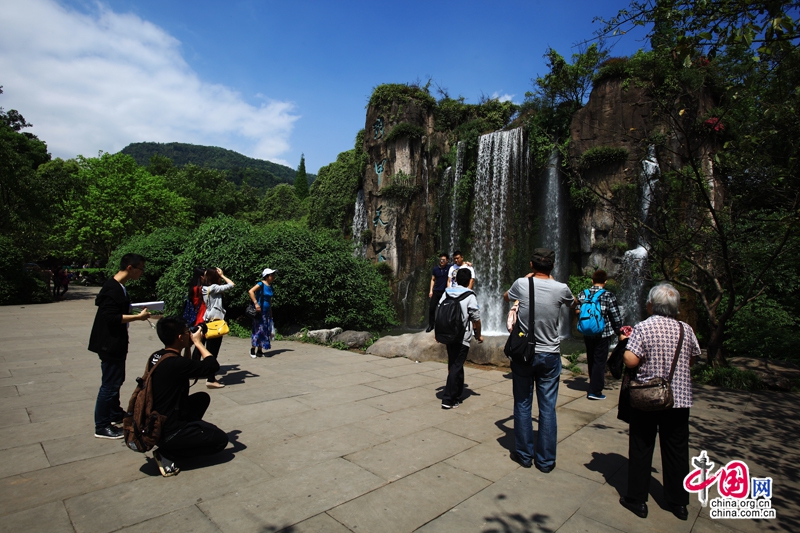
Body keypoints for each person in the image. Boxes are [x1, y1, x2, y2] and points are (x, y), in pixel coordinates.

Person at [619, 282, 700, 521]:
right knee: (676, 449)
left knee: (642, 446)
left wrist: (625, 343)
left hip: (648, 397)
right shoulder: (686, 329)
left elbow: (631, 361)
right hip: (679, 398)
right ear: (675, 308)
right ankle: (679, 503)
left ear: (651, 305)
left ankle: (637, 500)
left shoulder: (643, 328)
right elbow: (692, 360)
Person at [503, 248, 578, 472]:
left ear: (531, 265)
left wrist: (528, 278)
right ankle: (545, 461)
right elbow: (573, 303)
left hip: (524, 354)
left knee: (523, 404)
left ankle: (525, 455)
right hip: (550, 355)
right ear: (552, 266)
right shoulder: (561, 288)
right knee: (547, 408)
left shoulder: (521, 284)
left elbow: (507, 296)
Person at [148, 316, 229, 477]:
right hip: (168, 428)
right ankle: (168, 453)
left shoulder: (158, 356)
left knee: (201, 398)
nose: (190, 334)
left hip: (157, 418)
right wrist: (199, 343)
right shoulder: (176, 364)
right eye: (186, 332)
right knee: (220, 440)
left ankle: (187, 437)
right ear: (179, 337)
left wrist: (187, 347)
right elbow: (212, 366)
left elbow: (185, 370)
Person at [88, 253, 151, 439]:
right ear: (130, 268)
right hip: (109, 343)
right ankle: (102, 425)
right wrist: (138, 318)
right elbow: (111, 317)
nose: (142, 272)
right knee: (109, 384)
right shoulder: (113, 288)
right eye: (141, 268)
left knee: (116, 379)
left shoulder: (119, 287)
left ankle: (115, 413)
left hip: (116, 342)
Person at [437, 267, 482, 409]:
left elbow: (439, 311)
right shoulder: (470, 295)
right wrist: (478, 334)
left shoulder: (447, 292)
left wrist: (438, 333)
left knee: (454, 363)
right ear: (469, 281)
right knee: (456, 365)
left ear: (455, 280)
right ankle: (448, 399)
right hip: (462, 337)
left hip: (448, 334)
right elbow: (476, 317)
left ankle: (457, 394)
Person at [577, 269, 624, 400]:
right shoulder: (608, 295)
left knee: (591, 359)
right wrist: (619, 331)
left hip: (587, 333)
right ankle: (595, 391)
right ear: (605, 282)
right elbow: (615, 315)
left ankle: (593, 384)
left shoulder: (583, 294)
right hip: (603, 333)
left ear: (592, 281)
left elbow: (577, 311)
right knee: (600, 361)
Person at [200, 267, 234, 388]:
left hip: (207, 321)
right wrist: (223, 275)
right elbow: (231, 285)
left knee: (209, 351)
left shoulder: (205, 288)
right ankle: (211, 379)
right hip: (215, 323)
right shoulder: (214, 288)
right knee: (213, 352)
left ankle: (209, 375)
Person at [248, 268, 277, 358]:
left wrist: (271, 312)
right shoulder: (261, 284)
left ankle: (260, 350)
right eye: (272, 275)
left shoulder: (270, 286)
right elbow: (251, 291)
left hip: (267, 312)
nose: (273, 276)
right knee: (258, 329)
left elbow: (270, 300)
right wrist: (256, 304)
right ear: (267, 276)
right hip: (259, 311)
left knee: (264, 330)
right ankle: (253, 349)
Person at [426, 253, 451, 332]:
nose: (441, 261)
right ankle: (431, 325)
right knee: (432, 308)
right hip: (436, 291)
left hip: (445, 292)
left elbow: (459, 265)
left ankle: (446, 326)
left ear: (447, 260)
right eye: (440, 260)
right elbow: (433, 279)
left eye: (443, 260)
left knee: (446, 309)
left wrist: (467, 263)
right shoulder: (435, 269)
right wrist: (431, 291)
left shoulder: (450, 268)